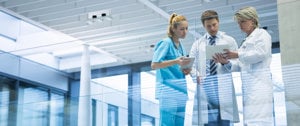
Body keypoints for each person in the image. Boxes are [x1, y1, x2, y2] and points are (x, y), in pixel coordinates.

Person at [215, 6, 274, 125]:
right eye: (238, 22)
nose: (240, 25)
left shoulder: (262, 34)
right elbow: (239, 65)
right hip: (249, 89)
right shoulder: (245, 42)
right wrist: (225, 61)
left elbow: (261, 53)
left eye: (242, 21)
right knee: (250, 122)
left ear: (252, 20)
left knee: (259, 121)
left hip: (260, 87)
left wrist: (237, 54)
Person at [189, 10, 239, 125]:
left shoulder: (229, 40)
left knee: (224, 122)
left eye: (214, 25)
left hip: (222, 86)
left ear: (218, 22)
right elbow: (191, 65)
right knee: (208, 122)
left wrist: (226, 62)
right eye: (208, 26)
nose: (212, 28)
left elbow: (238, 64)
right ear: (203, 26)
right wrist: (195, 75)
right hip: (206, 86)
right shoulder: (198, 44)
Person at [151, 13, 192, 126]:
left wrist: (186, 70)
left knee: (179, 124)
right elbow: (154, 64)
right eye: (182, 29)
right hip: (168, 91)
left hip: (181, 91)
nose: (185, 32)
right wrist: (176, 61)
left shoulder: (181, 46)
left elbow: (178, 66)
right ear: (173, 29)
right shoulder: (166, 43)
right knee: (167, 123)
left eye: (186, 28)